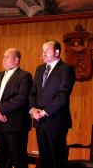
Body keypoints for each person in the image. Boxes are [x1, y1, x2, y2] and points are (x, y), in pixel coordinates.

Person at [29, 40, 76, 168]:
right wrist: (33, 110)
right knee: (44, 159)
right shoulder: (39, 69)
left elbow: (62, 96)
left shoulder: (66, 69)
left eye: (46, 51)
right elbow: (32, 92)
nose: (43, 54)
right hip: (39, 121)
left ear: (57, 52)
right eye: (42, 51)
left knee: (57, 159)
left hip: (56, 121)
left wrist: (43, 112)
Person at [0, 48, 32, 168]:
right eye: (3, 56)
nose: (3, 59)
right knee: (2, 158)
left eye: (7, 57)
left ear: (16, 60)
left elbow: (21, 97)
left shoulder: (24, 76)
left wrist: (1, 109)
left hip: (15, 124)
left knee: (18, 158)